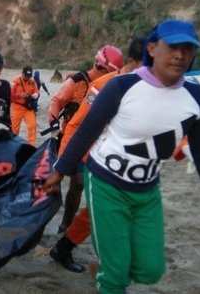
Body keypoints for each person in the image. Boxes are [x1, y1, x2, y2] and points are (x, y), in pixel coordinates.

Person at [43, 19, 200, 294]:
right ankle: (103, 268)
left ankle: (102, 263)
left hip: (146, 189)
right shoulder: (119, 86)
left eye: (188, 49)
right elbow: (84, 129)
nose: (180, 54)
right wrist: (61, 168)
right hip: (105, 179)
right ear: (152, 49)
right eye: (173, 47)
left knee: (151, 270)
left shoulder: (195, 98)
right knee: (115, 276)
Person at [50, 38, 144, 273]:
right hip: (88, 152)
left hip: (116, 158)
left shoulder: (142, 89)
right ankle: (67, 237)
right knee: (92, 199)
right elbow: (75, 126)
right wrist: (62, 166)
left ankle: (65, 244)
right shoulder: (102, 86)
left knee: (101, 208)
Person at [48, 45, 123, 232]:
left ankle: (65, 225)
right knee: (54, 182)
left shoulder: (111, 87)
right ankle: (42, 217)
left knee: (78, 183)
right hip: (67, 136)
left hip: (90, 143)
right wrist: (54, 124)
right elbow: (56, 101)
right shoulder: (76, 82)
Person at [10, 66, 39, 145]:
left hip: (28, 108)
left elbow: (37, 91)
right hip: (17, 108)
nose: (27, 78)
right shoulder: (15, 81)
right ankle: (13, 145)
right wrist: (19, 95)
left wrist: (35, 95)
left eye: (29, 76)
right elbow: (9, 94)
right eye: (25, 75)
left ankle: (32, 146)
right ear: (22, 73)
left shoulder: (32, 81)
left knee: (32, 126)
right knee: (14, 129)